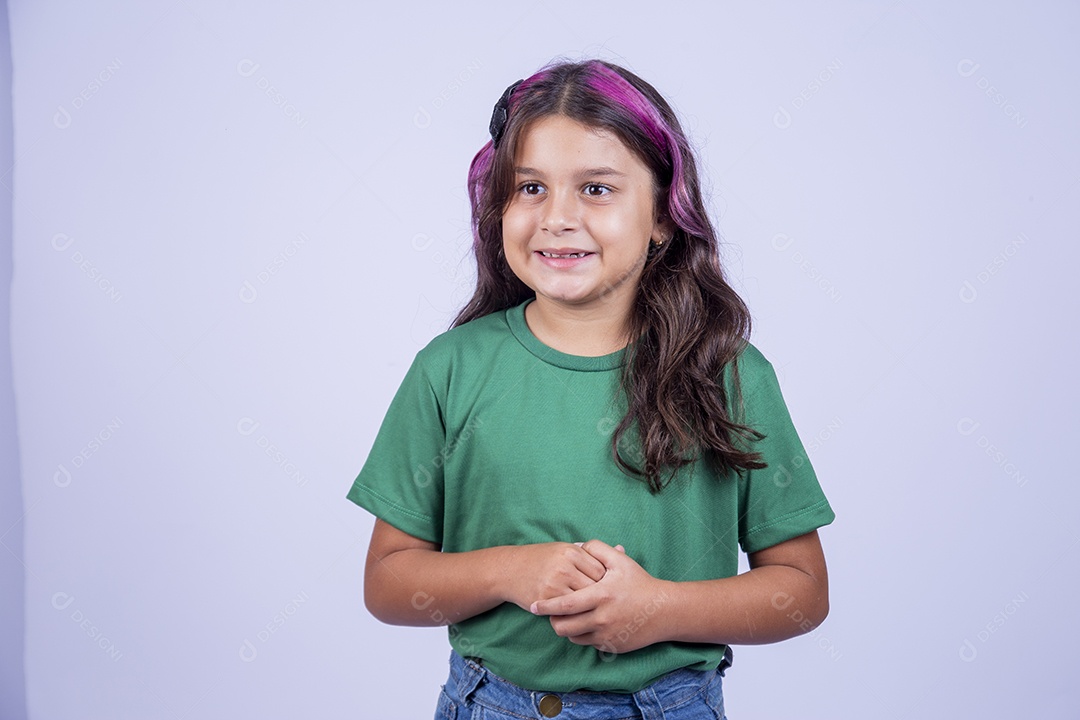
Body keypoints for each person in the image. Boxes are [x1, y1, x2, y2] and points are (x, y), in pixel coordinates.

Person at [347, 57, 836, 720]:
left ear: (664, 215)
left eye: (596, 189)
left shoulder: (729, 374)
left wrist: (659, 609)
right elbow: (387, 582)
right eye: (531, 188)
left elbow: (802, 591)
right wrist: (511, 571)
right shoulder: (449, 369)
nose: (557, 217)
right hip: (491, 704)